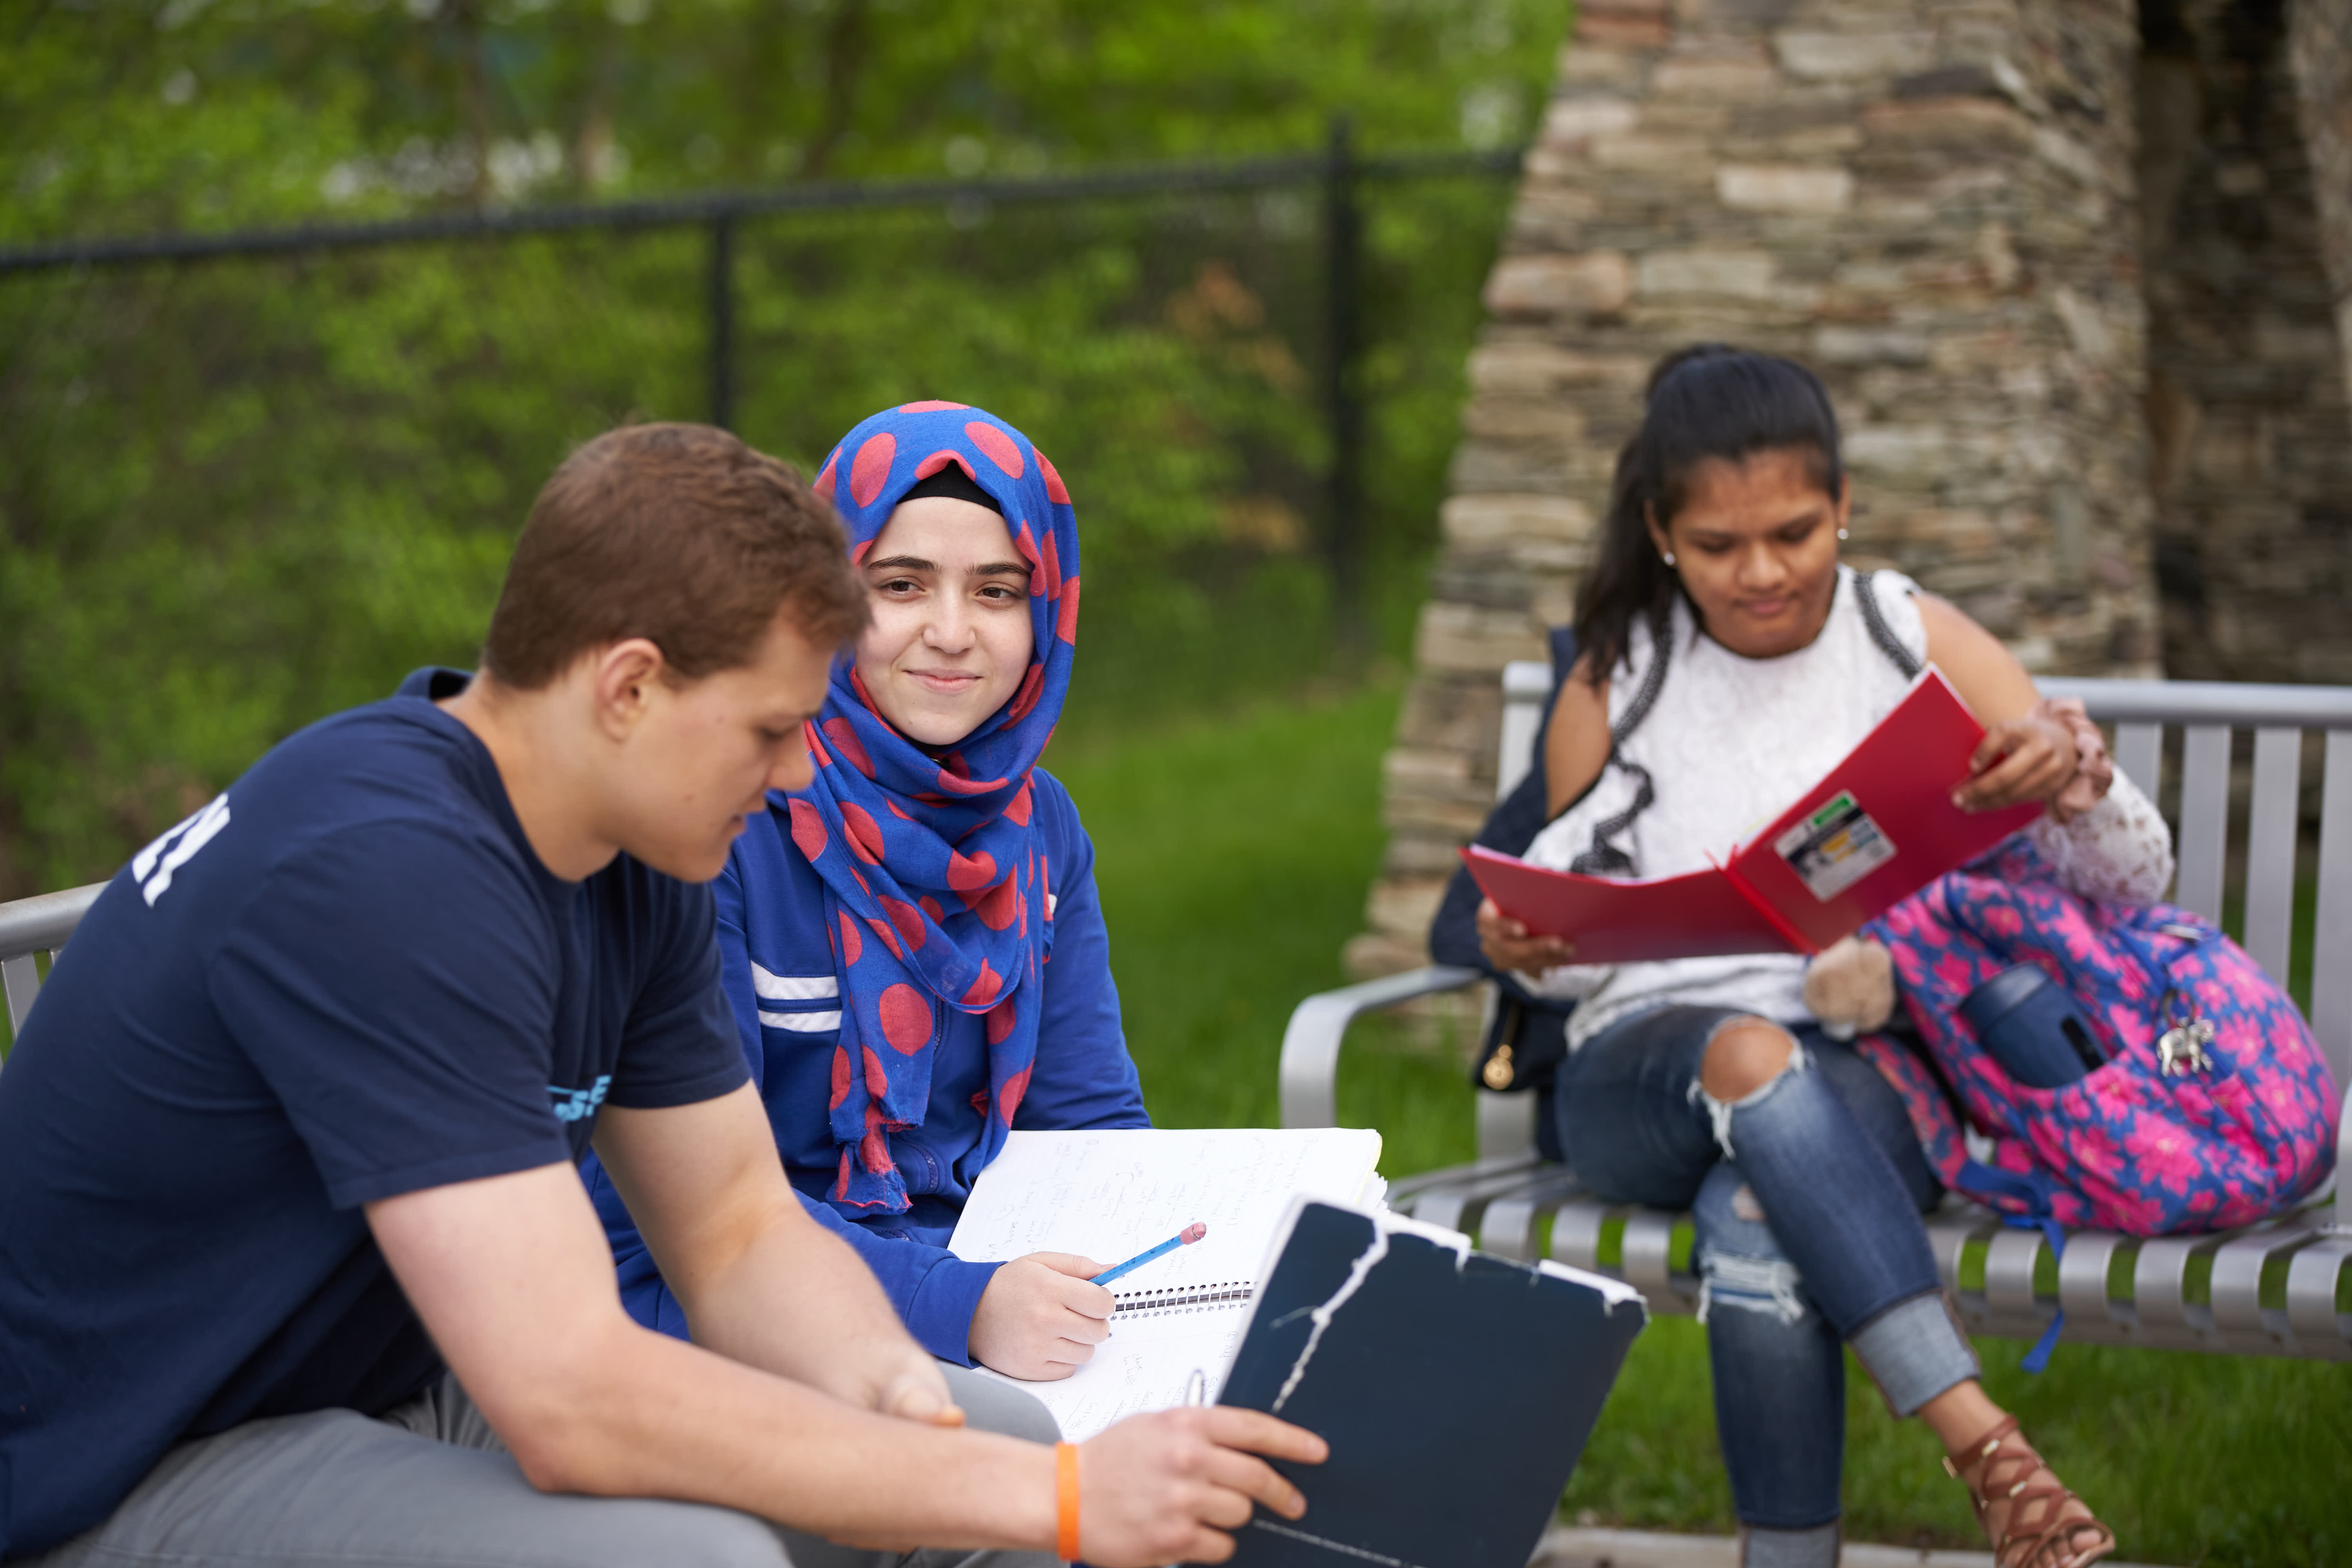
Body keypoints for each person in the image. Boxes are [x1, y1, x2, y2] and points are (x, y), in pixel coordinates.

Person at [0, 422, 1323, 1568]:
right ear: (629, 685)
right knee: (695, 1557)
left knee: (990, 1433)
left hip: (385, 1381)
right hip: (132, 1459)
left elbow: (740, 1235)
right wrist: (1065, 1497)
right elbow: (569, 1393)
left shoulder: (632, 857)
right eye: (770, 730)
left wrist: (894, 1398)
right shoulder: (385, 871)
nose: (806, 777)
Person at [1473, 347, 2161, 1568]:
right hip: (1639, 1077)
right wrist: (1527, 946)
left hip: (1860, 1068)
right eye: (1720, 544)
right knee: (1745, 1048)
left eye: (1796, 531)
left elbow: (2137, 887)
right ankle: (1986, 1447)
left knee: (1755, 1218)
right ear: (1661, 532)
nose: (1764, 573)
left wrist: (2077, 784)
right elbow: (1563, 944)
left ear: (1844, 502)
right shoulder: (1619, 672)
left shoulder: (1911, 639)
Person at [589, 401, 1146, 1383]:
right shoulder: (732, 812)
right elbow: (698, 1202)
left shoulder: (1040, 828)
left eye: (999, 591)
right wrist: (958, 1305)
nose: (951, 632)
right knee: (1043, 1479)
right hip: (733, 1299)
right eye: (900, 584)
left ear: (1047, 609)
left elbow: (1090, 1128)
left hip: (988, 1286)